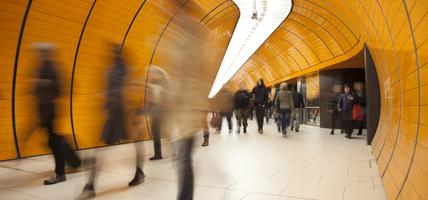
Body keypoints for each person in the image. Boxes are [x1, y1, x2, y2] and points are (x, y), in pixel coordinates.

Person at [79, 44, 145, 199]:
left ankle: (139, 173)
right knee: (103, 148)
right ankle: (90, 185)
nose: (112, 56)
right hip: (116, 113)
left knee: (133, 143)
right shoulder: (111, 71)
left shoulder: (125, 71)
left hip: (125, 113)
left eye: (115, 53)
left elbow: (129, 89)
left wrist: (107, 96)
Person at [29, 43, 81, 185]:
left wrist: (43, 83)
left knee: (54, 141)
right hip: (42, 110)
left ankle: (61, 173)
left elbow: (60, 89)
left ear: (48, 53)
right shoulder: (39, 68)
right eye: (40, 52)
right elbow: (35, 91)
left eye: (43, 52)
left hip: (50, 110)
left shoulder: (53, 68)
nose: (41, 55)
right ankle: (73, 160)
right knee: (54, 140)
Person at [147, 66, 170, 161]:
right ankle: (158, 154)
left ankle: (161, 153)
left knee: (166, 132)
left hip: (163, 112)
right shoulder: (153, 83)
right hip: (157, 112)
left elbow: (166, 98)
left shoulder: (164, 83)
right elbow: (151, 97)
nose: (152, 74)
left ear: (158, 74)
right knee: (156, 133)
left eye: (153, 73)